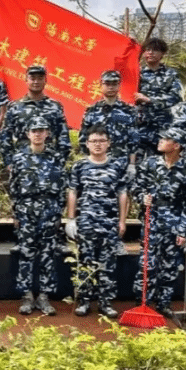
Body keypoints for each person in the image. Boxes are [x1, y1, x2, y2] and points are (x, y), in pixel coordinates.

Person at [131, 126, 186, 318]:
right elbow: (136, 187)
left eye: (165, 139)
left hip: (175, 222)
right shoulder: (149, 164)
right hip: (152, 220)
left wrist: (184, 230)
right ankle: (143, 302)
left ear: (176, 145)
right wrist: (142, 197)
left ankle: (164, 303)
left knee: (170, 266)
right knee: (147, 265)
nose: (160, 141)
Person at [65, 125, 128, 318]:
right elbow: (73, 192)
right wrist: (71, 219)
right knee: (86, 263)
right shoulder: (79, 166)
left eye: (102, 141)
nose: (97, 145)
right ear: (87, 144)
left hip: (109, 223)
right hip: (86, 222)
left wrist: (122, 221)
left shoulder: (117, 166)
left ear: (108, 143)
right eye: (93, 141)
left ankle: (105, 302)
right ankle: (84, 301)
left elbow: (123, 194)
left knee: (108, 265)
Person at [9, 117, 66, 316]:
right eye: (34, 130)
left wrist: (59, 212)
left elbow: (62, 187)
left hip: (49, 210)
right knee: (26, 253)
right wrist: (15, 213)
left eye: (42, 130)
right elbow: (14, 187)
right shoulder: (19, 158)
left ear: (47, 133)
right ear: (28, 134)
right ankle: (26, 296)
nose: (38, 134)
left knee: (47, 254)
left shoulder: (55, 157)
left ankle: (44, 296)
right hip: (26, 210)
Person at [0, 65, 69, 168]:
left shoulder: (55, 107)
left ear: (45, 81)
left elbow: (63, 136)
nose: (36, 82)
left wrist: (60, 161)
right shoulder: (15, 107)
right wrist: (9, 163)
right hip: (22, 162)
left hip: (49, 162)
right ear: (26, 80)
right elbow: (5, 136)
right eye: (32, 78)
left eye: (40, 78)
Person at [79, 70, 138, 173]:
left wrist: (132, 165)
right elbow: (84, 138)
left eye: (114, 84)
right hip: (97, 161)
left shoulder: (129, 110)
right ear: (101, 85)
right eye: (107, 84)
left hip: (121, 162)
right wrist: (88, 160)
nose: (111, 87)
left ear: (119, 85)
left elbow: (134, 140)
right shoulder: (92, 110)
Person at [134, 37, 182, 158]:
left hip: (162, 127)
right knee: (136, 163)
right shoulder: (137, 73)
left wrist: (150, 100)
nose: (150, 53)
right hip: (140, 126)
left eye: (155, 50)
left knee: (160, 163)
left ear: (162, 53)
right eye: (148, 50)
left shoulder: (170, 74)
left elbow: (175, 97)